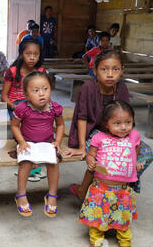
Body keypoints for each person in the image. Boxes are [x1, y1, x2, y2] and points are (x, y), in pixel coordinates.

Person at [65, 49, 153, 199]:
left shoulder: (121, 88)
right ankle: (89, 191)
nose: (110, 74)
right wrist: (81, 147)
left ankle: (121, 188)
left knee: (146, 153)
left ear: (122, 70)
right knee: (104, 156)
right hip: (94, 132)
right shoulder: (88, 88)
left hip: (118, 132)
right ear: (95, 70)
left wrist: (132, 148)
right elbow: (82, 118)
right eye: (104, 69)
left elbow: (127, 116)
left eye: (116, 69)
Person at [79, 100, 141, 247]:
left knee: (123, 220)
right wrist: (90, 160)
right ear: (106, 124)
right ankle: (96, 242)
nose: (124, 127)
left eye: (128, 122)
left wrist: (136, 161)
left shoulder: (134, 135)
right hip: (100, 189)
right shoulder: (99, 137)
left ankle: (126, 245)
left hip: (122, 191)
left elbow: (136, 151)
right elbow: (91, 154)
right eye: (117, 123)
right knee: (96, 219)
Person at [11, 71, 64, 217]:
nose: (42, 94)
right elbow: (15, 126)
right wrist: (21, 141)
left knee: (54, 163)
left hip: (47, 143)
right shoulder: (23, 108)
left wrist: (58, 141)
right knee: (26, 163)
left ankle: (52, 195)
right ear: (26, 94)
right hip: (27, 143)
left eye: (45, 89)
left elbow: (59, 125)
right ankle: (21, 194)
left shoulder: (54, 108)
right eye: (36, 90)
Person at [1, 38, 45, 120]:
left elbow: (45, 93)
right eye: (28, 54)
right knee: (27, 123)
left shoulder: (41, 71)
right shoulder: (12, 71)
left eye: (36, 54)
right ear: (21, 54)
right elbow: (3, 96)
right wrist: (13, 106)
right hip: (16, 103)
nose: (32, 57)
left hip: (34, 102)